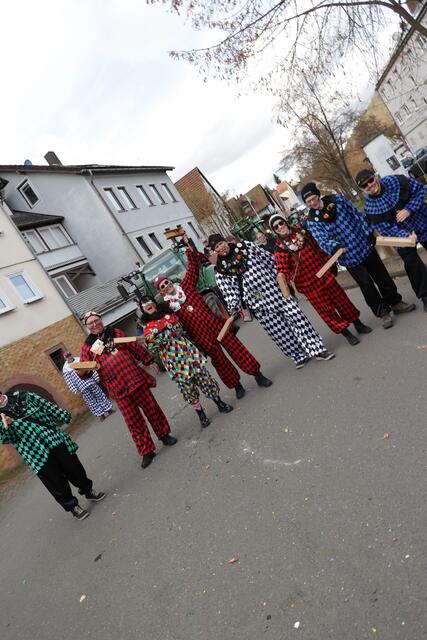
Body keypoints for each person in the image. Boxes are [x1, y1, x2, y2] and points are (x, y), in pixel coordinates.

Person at [153, 234, 272, 398]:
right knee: (220, 363)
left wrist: (188, 246)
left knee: (238, 350)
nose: (166, 286)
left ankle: (258, 375)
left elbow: (193, 267)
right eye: (162, 286)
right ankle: (237, 386)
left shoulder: (186, 286)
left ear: (170, 281)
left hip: (217, 326)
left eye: (166, 282)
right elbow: (159, 318)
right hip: (203, 338)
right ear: (161, 292)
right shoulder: (168, 308)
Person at [207, 234, 335, 369]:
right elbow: (229, 292)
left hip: (276, 292)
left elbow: (268, 259)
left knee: (298, 319)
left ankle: (317, 349)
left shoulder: (246, 246)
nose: (221, 247)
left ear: (225, 241)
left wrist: (281, 276)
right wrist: (234, 306)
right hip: (258, 305)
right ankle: (298, 355)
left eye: (221, 243)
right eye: (217, 247)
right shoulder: (220, 271)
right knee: (279, 332)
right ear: (215, 251)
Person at [301, 182, 415, 329]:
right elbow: (321, 240)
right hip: (348, 256)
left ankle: (395, 302)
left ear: (318, 195)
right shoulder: (312, 221)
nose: (312, 203)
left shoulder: (337, 200)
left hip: (363, 244)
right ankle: (382, 312)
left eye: (313, 199)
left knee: (382, 276)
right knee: (366, 285)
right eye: (308, 202)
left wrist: (368, 232)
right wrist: (334, 246)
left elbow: (356, 214)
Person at [80, 312, 177, 469]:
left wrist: (149, 360)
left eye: (96, 320)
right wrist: (81, 371)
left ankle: (164, 435)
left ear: (101, 320)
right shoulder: (87, 346)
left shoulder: (115, 332)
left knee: (152, 409)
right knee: (133, 421)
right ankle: (147, 451)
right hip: (117, 388)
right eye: (90, 323)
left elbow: (134, 346)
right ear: (87, 327)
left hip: (135, 380)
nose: (94, 324)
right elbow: (86, 370)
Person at [0, 390, 104, 521]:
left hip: (52, 437)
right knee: (55, 481)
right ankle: (73, 506)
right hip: (34, 452)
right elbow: (8, 439)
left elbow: (45, 405)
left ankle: (88, 490)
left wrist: (62, 415)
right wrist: (7, 427)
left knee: (73, 467)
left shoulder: (23, 396)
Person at [269, 214, 372, 345]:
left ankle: (358, 324)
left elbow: (318, 248)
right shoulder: (279, 249)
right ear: (275, 231)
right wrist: (287, 288)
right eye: (276, 227)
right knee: (327, 311)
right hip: (308, 285)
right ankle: (347, 334)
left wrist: (330, 264)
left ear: (285, 222)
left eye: (281, 223)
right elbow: (283, 271)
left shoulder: (303, 233)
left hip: (323, 274)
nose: (280, 227)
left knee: (342, 301)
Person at [140, 297, 233, 427]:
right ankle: (201, 414)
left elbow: (179, 329)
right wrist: (164, 336)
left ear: (155, 304)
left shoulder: (169, 315)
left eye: (149, 303)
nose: (147, 305)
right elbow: (151, 346)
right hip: (173, 362)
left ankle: (220, 403)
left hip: (188, 354)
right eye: (144, 305)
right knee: (187, 388)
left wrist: (162, 335)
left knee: (205, 379)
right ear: (143, 310)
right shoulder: (147, 327)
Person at [355, 169, 427, 312]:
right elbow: (386, 230)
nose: (369, 185)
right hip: (401, 235)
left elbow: (421, 191)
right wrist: (407, 236)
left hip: (421, 220)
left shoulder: (397, 181)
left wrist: (408, 209)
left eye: (370, 180)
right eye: (364, 185)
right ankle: (425, 295)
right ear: (362, 189)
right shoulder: (370, 209)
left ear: (376, 177)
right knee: (411, 262)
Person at [62, 352, 114, 421]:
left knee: (100, 395)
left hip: (90, 382)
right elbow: (69, 381)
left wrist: (96, 377)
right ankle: (101, 415)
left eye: (69, 355)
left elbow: (90, 368)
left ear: (71, 355)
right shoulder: (65, 369)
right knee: (91, 402)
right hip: (82, 388)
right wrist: (75, 390)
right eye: (67, 356)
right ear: (65, 358)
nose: (69, 357)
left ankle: (109, 409)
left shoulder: (80, 360)